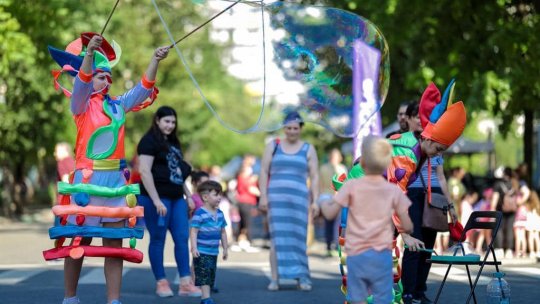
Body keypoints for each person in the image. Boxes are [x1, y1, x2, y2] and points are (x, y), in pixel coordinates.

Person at [47, 33, 169, 304]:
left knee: (114, 245)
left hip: (115, 181)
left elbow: (143, 89)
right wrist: (89, 54)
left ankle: (114, 300)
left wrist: (154, 60)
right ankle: (70, 298)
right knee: (78, 242)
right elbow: (82, 82)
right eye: (101, 75)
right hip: (87, 181)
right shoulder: (80, 104)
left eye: (108, 76)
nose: (106, 80)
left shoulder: (117, 106)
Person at [331, 81, 467, 304]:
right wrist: (405, 234)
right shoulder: (408, 155)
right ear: (426, 137)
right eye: (438, 149)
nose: (437, 154)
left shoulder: (417, 150)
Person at [320, 136, 414, 304]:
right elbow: (406, 224)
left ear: (362, 163)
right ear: (387, 165)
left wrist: (322, 203)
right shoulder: (393, 191)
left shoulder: (351, 187)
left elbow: (329, 213)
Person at [137, 106, 201, 298]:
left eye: (173, 122)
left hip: (176, 198)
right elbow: (144, 172)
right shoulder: (148, 141)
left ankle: (185, 283)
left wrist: (188, 195)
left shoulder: (173, 143)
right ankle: (162, 283)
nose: (170, 125)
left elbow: (178, 174)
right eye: (166, 121)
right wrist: (156, 200)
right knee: (158, 239)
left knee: (182, 238)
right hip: (156, 198)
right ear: (157, 120)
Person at [399, 101, 456, 304]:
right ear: (411, 119)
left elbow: (441, 177)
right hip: (412, 194)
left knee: (428, 247)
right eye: (418, 117)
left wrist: (450, 205)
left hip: (434, 197)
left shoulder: (437, 144)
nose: (423, 121)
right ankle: (408, 291)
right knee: (414, 245)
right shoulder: (407, 143)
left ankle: (420, 291)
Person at [258, 111, 320, 291]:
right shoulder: (273, 145)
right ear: (284, 128)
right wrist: (263, 195)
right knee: (277, 239)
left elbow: (315, 176)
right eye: (289, 128)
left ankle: (303, 277)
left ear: (301, 128)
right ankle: (275, 279)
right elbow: (263, 171)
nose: (292, 131)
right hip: (275, 200)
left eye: (295, 128)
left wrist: (315, 201)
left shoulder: (308, 148)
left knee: (298, 238)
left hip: (299, 200)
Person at [190, 180, 229, 304]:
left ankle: (206, 294)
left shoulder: (220, 214)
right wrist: (194, 248)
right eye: (216, 195)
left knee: (211, 273)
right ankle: (205, 298)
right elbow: (194, 231)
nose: (219, 197)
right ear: (205, 197)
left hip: (213, 251)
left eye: (220, 195)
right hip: (202, 251)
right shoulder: (200, 214)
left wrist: (225, 248)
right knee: (205, 274)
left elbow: (223, 232)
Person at [318, 148, 348, 256]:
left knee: (330, 222)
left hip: (326, 197)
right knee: (337, 222)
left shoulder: (323, 168)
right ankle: (334, 245)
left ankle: (330, 245)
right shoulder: (342, 168)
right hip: (335, 196)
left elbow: (320, 185)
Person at [234, 161, 261, 252]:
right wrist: (262, 194)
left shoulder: (242, 178)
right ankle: (248, 241)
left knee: (243, 223)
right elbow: (251, 189)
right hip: (246, 202)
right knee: (247, 223)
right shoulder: (244, 179)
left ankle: (240, 241)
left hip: (243, 202)